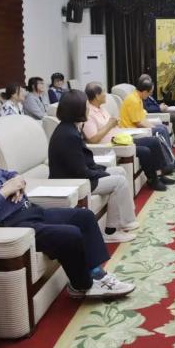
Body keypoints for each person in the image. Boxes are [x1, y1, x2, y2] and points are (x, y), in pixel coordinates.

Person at [0, 121, 134, 299]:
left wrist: (17, 182)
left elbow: (8, 174)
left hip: (27, 210)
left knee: (84, 217)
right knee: (69, 234)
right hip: (9, 225)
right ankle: (82, 286)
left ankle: (98, 274)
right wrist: (4, 193)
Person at [50, 90, 138, 244]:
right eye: (86, 106)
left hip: (80, 176)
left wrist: (101, 170)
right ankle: (112, 231)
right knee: (119, 181)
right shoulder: (68, 135)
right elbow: (80, 171)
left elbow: (84, 162)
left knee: (119, 171)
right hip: (75, 182)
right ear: (78, 109)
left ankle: (125, 220)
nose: (88, 109)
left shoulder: (70, 128)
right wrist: (102, 173)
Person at [83, 82, 174, 192]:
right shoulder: (89, 114)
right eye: (103, 92)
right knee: (144, 151)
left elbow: (111, 124)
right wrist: (109, 125)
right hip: (112, 145)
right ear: (97, 96)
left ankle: (160, 173)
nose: (106, 94)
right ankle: (153, 180)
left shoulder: (101, 108)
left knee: (153, 141)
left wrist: (114, 123)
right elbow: (93, 139)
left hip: (122, 138)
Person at [119, 76, 175, 168]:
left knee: (162, 127)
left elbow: (142, 119)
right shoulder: (133, 100)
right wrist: (153, 128)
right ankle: (168, 163)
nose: (150, 95)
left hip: (136, 128)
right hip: (130, 131)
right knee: (160, 130)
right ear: (144, 92)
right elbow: (138, 123)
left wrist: (153, 126)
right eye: (150, 93)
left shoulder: (137, 98)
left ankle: (171, 159)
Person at [141, 73, 175, 144]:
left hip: (160, 110)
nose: (151, 91)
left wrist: (160, 105)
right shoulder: (142, 95)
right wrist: (159, 108)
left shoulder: (148, 94)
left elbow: (153, 104)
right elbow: (147, 109)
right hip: (156, 114)